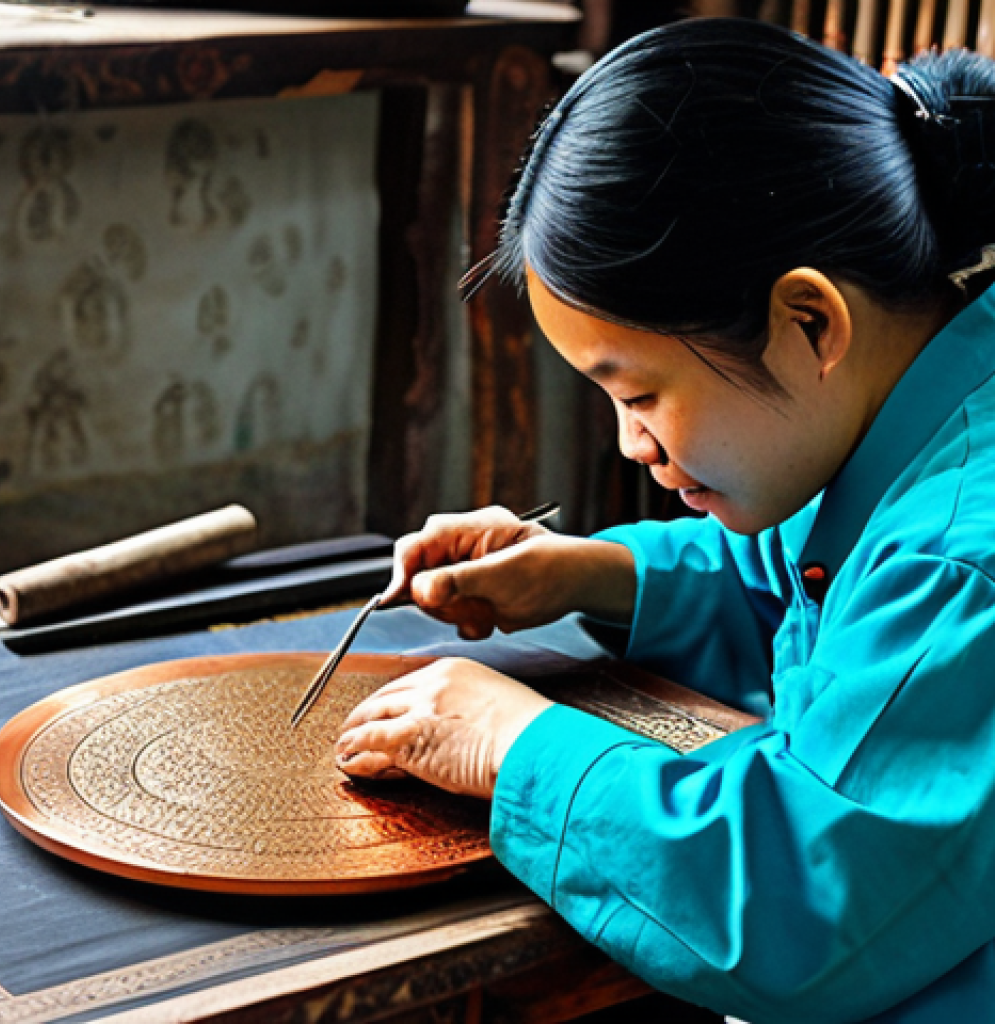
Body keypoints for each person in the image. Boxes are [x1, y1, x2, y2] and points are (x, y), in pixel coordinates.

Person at [335, 19, 995, 1022]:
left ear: (808, 322)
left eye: (637, 395)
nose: (628, 446)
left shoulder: (962, 558)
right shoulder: (922, 405)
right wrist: (586, 572)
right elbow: (808, 585)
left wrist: (514, 747)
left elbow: (798, 905)